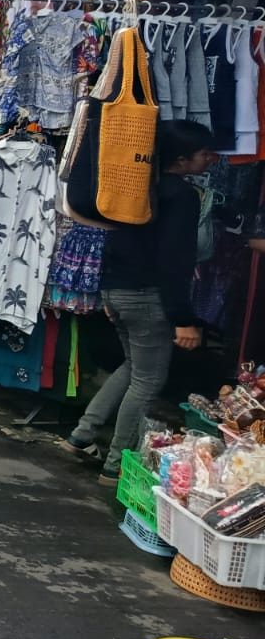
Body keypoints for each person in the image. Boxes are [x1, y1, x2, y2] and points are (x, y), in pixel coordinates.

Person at [66, 119, 217, 484]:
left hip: (118, 290)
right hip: (147, 296)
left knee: (133, 368)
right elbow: (175, 260)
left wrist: (108, 289)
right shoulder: (180, 195)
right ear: (181, 160)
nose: (210, 160)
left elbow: (115, 239)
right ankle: (116, 465)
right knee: (148, 382)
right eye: (203, 154)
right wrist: (183, 317)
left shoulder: (138, 185)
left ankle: (82, 435)